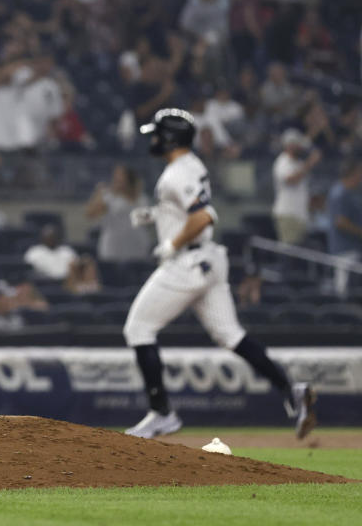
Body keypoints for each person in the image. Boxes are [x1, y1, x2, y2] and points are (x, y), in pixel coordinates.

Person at [123, 109, 316, 440]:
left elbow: (203, 217)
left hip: (186, 263)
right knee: (231, 336)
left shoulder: (174, 174)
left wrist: (171, 242)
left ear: (169, 138)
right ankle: (289, 389)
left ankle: (161, 412)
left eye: (156, 134)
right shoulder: (192, 164)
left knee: (138, 328)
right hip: (209, 261)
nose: (153, 139)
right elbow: (187, 208)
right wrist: (157, 216)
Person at [85, 164, 153, 261]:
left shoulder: (142, 199)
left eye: (121, 176)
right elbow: (90, 214)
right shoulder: (108, 197)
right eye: (116, 176)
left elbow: (148, 222)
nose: (117, 180)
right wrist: (99, 193)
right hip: (112, 249)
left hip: (137, 249)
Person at [272, 129, 322, 244]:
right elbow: (290, 180)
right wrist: (310, 163)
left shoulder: (298, 163)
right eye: (298, 145)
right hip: (288, 215)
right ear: (290, 146)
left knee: (300, 253)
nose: (301, 148)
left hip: (301, 215)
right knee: (290, 251)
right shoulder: (282, 161)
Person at [326, 159, 362, 296]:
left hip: (354, 248)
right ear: (352, 173)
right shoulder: (339, 193)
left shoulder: (353, 192)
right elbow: (340, 222)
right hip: (344, 250)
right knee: (343, 290)